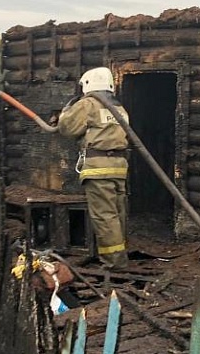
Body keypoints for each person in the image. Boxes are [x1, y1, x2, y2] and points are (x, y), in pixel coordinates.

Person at [57, 67, 130, 270]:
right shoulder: (119, 108)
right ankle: (119, 253)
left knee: (104, 216)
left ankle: (114, 262)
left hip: (98, 168)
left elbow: (67, 128)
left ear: (88, 84)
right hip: (119, 167)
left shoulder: (88, 104)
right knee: (117, 213)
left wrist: (66, 111)